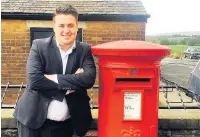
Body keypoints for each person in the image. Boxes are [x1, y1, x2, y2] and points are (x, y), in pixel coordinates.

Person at [14, 4, 96, 137]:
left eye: (70, 25)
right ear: (54, 27)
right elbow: (35, 80)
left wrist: (53, 78)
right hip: (34, 120)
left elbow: (89, 79)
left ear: (76, 26)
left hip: (66, 125)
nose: (66, 30)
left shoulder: (84, 50)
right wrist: (72, 83)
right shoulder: (39, 46)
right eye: (61, 25)